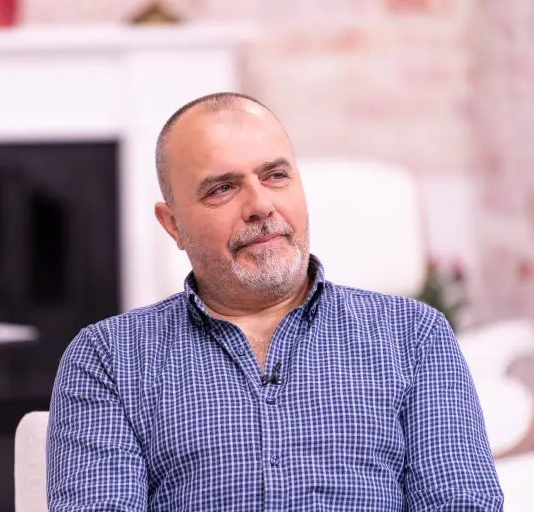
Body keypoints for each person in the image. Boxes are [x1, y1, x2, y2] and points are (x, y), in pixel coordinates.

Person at [45, 92, 504, 510]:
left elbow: (463, 504)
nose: (260, 205)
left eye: (276, 176)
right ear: (173, 225)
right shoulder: (109, 357)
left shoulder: (414, 335)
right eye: (222, 188)